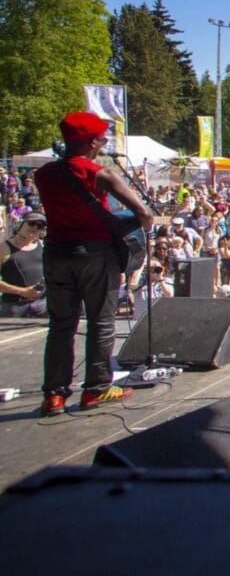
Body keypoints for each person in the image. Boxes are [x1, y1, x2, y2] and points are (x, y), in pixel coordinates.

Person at [34, 112, 154, 416]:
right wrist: (129, 228)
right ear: (91, 142)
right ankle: (96, 389)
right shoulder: (100, 174)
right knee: (101, 320)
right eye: (101, 139)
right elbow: (144, 213)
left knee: (61, 324)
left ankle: (54, 396)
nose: (103, 143)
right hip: (94, 254)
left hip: (56, 254)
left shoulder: (44, 174)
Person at [0, 211, 48, 318]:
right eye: (31, 223)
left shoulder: (42, 245)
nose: (35, 227)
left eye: (39, 226)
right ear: (21, 224)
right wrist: (22, 291)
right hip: (14, 307)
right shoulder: (3, 248)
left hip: (42, 306)